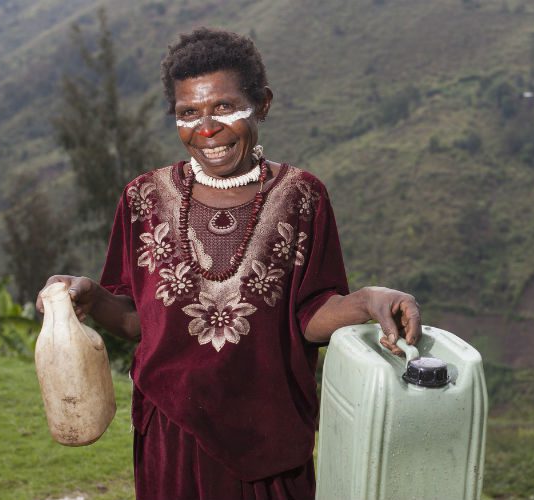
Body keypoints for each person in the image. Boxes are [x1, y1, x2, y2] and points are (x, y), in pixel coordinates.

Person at [37, 28, 421, 499]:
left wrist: (368, 300)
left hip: (269, 435)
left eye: (223, 108)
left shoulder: (302, 197)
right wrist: (92, 296)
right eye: (188, 113)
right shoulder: (143, 199)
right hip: (172, 432)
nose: (207, 128)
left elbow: (309, 314)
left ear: (262, 103)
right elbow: (140, 320)